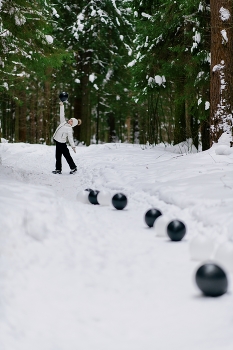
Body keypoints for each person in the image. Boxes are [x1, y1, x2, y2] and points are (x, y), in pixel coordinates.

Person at [52, 101, 81, 174]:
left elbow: (70, 138)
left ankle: (73, 168)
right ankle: (58, 169)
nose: (70, 121)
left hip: (62, 144)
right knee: (57, 156)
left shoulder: (69, 129)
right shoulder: (63, 122)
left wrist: (73, 146)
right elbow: (62, 114)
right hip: (58, 142)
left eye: (71, 121)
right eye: (70, 120)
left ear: (72, 124)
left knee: (67, 156)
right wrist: (62, 106)